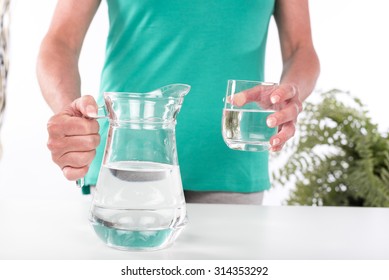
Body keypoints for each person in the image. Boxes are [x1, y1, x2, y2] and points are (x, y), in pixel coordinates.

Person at [37, 0, 320, 205]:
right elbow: (62, 40)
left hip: (231, 165)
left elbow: (301, 49)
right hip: (126, 161)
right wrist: (69, 113)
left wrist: (290, 90)